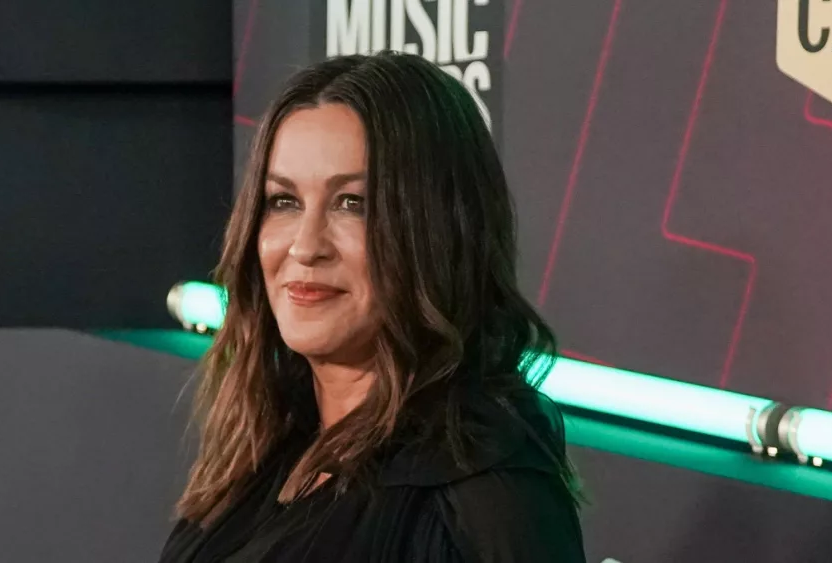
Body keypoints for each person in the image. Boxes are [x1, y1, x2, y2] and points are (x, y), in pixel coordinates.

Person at [158, 51, 586, 562]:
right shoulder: (267, 447)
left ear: (435, 230)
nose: (305, 246)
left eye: (352, 203)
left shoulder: (486, 491)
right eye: (283, 201)